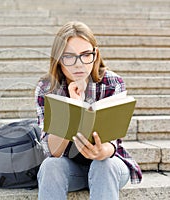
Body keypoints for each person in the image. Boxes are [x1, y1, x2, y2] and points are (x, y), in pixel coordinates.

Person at [34, 21, 142, 200]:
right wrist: (71, 107)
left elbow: (113, 140)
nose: (79, 64)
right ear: (58, 60)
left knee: (103, 165)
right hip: (69, 168)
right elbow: (53, 151)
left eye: (85, 55)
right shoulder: (47, 88)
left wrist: (102, 151)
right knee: (50, 166)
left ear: (95, 54)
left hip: (109, 166)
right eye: (69, 56)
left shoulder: (112, 82)